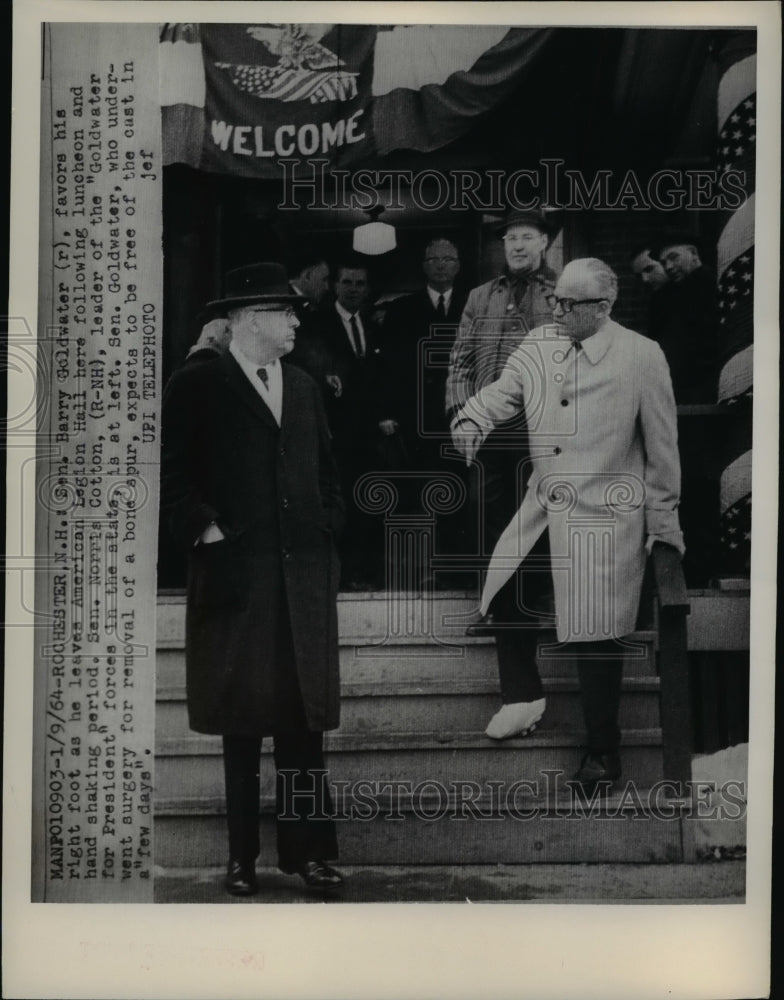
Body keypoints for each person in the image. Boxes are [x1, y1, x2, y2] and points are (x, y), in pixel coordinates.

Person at [452, 258, 683, 791]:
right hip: (545, 504)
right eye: (554, 300)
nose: (556, 310)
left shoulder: (641, 356)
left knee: (596, 634)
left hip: (607, 514)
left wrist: (663, 523)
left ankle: (604, 752)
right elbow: (503, 392)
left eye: (569, 304)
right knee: (508, 583)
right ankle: (523, 696)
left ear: (603, 307)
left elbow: (663, 449)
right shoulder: (537, 346)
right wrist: (472, 417)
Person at [161, 262, 345, 896]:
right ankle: (241, 858)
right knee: (241, 726)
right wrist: (206, 530)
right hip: (237, 580)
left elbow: (325, 471)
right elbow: (172, 475)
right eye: (284, 312)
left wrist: (327, 526)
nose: (295, 321)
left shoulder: (302, 385)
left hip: (301, 582)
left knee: (302, 725)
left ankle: (310, 855)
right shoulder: (198, 383)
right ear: (247, 319)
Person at [446, 208, 558, 738]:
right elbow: (461, 359)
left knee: (533, 525)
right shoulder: (479, 296)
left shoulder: (561, 291)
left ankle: (529, 608)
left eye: (526, 236)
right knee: (486, 518)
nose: (516, 245)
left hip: (540, 429)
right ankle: (492, 604)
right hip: (487, 428)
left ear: (545, 242)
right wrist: (460, 413)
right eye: (509, 237)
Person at [380, 237, 469, 582]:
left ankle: (456, 570)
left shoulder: (471, 304)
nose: (442, 265)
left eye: (449, 259)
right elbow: (388, 365)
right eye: (435, 259)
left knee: (460, 491)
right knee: (420, 492)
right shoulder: (403, 309)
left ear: (458, 265)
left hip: (460, 416)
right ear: (424, 265)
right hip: (415, 419)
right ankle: (421, 570)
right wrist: (387, 412)